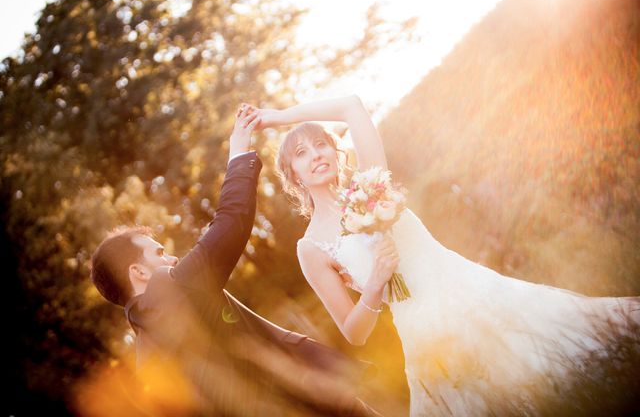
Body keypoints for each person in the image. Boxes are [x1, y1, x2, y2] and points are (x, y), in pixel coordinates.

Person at [248, 95, 640, 416]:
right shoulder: (311, 247)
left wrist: (277, 117)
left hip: (479, 295)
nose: (316, 154)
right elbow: (354, 332)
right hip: (429, 338)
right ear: (293, 174)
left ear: (335, 152)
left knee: (568, 369)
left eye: (321, 144)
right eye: (301, 152)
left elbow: (351, 105)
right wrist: (374, 286)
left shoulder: (371, 183)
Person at [90, 105, 383, 416]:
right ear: (138, 272)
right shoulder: (168, 291)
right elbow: (230, 222)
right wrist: (238, 153)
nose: (172, 258)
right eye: (158, 253)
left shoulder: (147, 359)